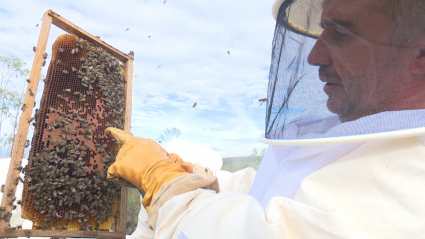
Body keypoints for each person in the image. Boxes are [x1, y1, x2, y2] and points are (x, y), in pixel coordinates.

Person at [108, 0, 425, 238]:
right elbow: (273, 189)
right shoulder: (354, 137)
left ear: (420, 55)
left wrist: (165, 184)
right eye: (322, 31)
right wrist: (201, 178)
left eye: (341, 33)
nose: (314, 57)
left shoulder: (412, 181)